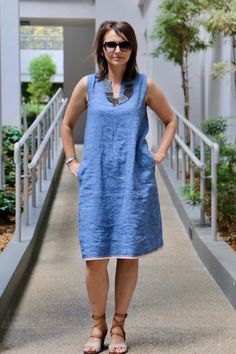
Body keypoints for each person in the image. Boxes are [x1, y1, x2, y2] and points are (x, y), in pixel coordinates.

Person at [61, 20, 177, 354]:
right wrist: (72, 162)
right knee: (95, 258)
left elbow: (170, 120)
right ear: (101, 48)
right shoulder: (87, 86)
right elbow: (67, 125)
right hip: (96, 182)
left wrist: (160, 152)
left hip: (133, 181)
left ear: (132, 50)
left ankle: (118, 327)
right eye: (111, 44)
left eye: (124, 44)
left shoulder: (145, 85)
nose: (117, 50)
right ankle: (96, 324)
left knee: (127, 254)